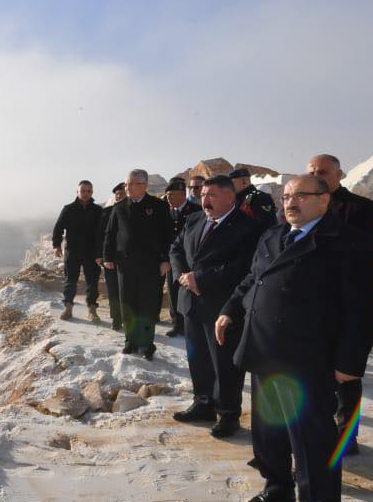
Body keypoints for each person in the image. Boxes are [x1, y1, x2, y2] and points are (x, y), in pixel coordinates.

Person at [216, 175, 373, 502]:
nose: (290, 202)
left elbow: (361, 309)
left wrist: (350, 362)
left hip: (309, 356)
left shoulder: (346, 242)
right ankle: (278, 487)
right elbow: (250, 281)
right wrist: (229, 310)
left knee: (312, 439)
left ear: (325, 200)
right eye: (286, 196)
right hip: (265, 349)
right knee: (268, 429)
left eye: (301, 196)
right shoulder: (273, 236)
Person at [170, 175, 264, 437]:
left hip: (223, 306)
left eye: (211, 195)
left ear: (230, 197)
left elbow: (244, 267)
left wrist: (201, 279)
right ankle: (202, 403)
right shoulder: (195, 219)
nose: (205, 200)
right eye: (202, 195)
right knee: (198, 358)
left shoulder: (247, 227)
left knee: (224, 363)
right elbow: (176, 249)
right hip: (191, 302)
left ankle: (228, 414)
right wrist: (184, 276)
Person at [307, 153, 373, 457]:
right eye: (311, 170)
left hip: (345, 302)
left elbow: (361, 250)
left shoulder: (360, 208)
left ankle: (347, 435)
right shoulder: (303, 205)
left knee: (346, 376)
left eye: (323, 170)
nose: (317, 174)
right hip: (310, 304)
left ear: (340, 174)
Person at [102, 169, 175, 360]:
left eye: (131, 184)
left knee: (148, 305)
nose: (127, 188)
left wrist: (166, 259)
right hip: (125, 265)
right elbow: (110, 234)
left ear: (144, 185)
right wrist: (107, 257)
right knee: (128, 303)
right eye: (126, 184)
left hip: (151, 265)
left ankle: (146, 343)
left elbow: (168, 235)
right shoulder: (119, 208)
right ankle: (130, 341)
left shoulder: (158, 206)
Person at [51, 180, 104, 323]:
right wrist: (56, 246)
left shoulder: (98, 210)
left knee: (92, 281)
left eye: (88, 191)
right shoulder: (68, 209)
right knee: (71, 280)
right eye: (83, 191)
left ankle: (92, 310)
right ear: (77, 192)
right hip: (72, 251)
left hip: (91, 252)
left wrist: (100, 253)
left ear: (92, 192)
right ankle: (68, 308)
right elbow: (58, 228)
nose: (85, 194)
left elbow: (102, 233)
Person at [163, 178, 196, 338]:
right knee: (173, 291)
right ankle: (177, 324)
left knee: (190, 292)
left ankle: (190, 324)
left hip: (191, 259)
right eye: (167, 194)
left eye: (171, 194)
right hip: (173, 259)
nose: (168, 197)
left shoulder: (195, 210)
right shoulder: (165, 211)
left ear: (182, 194)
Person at [96, 182, 127, 331]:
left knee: (127, 289)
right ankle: (116, 318)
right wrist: (100, 255)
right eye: (117, 194)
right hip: (110, 257)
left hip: (127, 258)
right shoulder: (107, 211)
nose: (119, 196)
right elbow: (100, 235)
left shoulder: (131, 210)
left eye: (122, 193)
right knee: (113, 288)